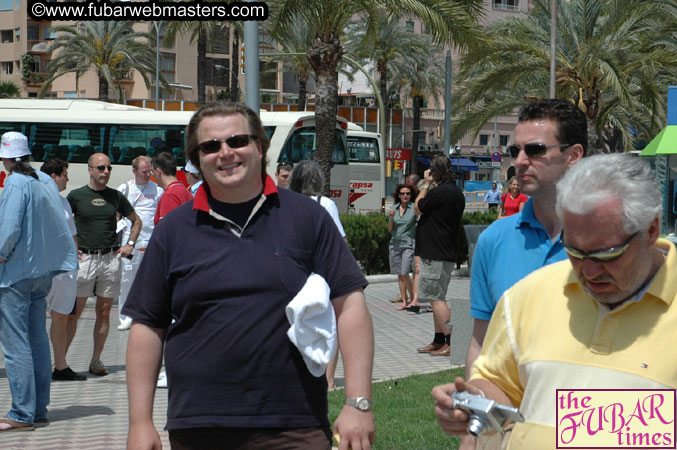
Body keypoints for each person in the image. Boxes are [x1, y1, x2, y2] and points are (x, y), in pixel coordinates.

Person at [123, 101, 375, 450]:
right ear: (196, 158)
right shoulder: (174, 231)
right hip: (200, 425)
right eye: (210, 146)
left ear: (260, 146)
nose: (225, 153)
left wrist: (358, 402)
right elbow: (148, 326)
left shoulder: (308, 218)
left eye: (237, 141)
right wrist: (140, 423)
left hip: (294, 424)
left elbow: (350, 305)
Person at [433, 153, 674, 450]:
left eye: (606, 255)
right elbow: (499, 383)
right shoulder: (527, 296)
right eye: (575, 252)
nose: (589, 271)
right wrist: (473, 403)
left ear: (650, 230)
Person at [0, 132, 78, 431]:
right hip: (41, 272)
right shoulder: (43, 180)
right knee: (36, 339)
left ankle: (21, 413)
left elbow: (7, 228)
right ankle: (38, 408)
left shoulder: (15, 182)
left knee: (16, 344)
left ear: (6, 157)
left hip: (16, 274)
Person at [67, 153, 141, 377]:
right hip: (85, 260)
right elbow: (63, 222)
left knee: (105, 311)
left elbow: (136, 220)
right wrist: (71, 248)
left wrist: (129, 244)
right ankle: (61, 362)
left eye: (108, 168)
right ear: (90, 170)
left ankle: (96, 360)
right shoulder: (76, 196)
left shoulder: (116, 197)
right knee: (74, 313)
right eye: (101, 168)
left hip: (110, 259)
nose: (106, 172)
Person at [414, 155, 465, 356]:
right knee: (438, 296)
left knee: (435, 298)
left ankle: (453, 342)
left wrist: (425, 184)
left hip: (434, 253)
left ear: (434, 172)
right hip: (445, 251)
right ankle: (439, 340)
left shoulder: (439, 192)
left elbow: (418, 207)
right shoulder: (456, 192)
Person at [40, 158, 86, 381]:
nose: (68, 178)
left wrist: (75, 254)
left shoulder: (64, 202)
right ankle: (36, 366)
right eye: (64, 174)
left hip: (67, 270)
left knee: (62, 318)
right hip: (44, 269)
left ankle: (60, 366)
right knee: (37, 318)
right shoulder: (36, 200)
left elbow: (72, 233)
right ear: (53, 176)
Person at [116, 156, 163, 331]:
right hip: (130, 243)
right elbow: (117, 215)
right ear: (134, 171)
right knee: (127, 279)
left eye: (150, 171)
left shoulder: (158, 190)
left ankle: (146, 314)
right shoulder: (125, 188)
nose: (148, 174)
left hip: (150, 242)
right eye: (144, 172)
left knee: (150, 280)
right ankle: (125, 316)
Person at [288, 160, 347, 241]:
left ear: (293, 180)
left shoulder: (285, 202)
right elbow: (340, 242)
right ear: (318, 180)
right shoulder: (325, 204)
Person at [387, 184, 418, 311]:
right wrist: (391, 218)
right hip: (395, 244)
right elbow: (390, 229)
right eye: (403, 193)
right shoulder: (393, 208)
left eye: (408, 193)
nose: (405, 196)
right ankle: (405, 301)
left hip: (408, 244)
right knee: (400, 274)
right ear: (398, 195)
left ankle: (413, 299)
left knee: (405, 273)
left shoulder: (414, 209)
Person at [151, 151, 193, 225]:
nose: (152, 175)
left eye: (152, 171)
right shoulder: (184, 191)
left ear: (158, 172)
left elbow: (167, 231)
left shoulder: (170, 195)